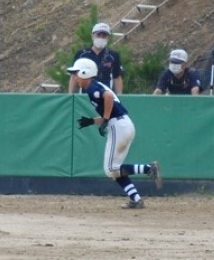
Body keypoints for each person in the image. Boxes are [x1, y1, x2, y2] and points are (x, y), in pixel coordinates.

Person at [70, 58, 162, 209]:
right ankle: (136, 199)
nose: (75, 78)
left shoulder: (92, 87)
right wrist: (92, 121)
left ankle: (148, 168)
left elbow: (108, 97)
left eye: (76, 74)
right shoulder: (94, 86)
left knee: (111, 169)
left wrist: (105, 119)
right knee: (115, 169)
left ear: (85, 73)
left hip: (118, 126)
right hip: (124, 124)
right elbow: (111, 109)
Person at [68, 23, 124, 94]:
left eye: (104, 36)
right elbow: (74, 76)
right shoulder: (81, 54)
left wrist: (120, 96)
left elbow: (117, 77)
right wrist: (70, 94)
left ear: (108, 38)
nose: (101, 38)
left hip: (105, 95)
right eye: (98, 35)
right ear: (92, 36)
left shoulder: (113, 55)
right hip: (85, 96)